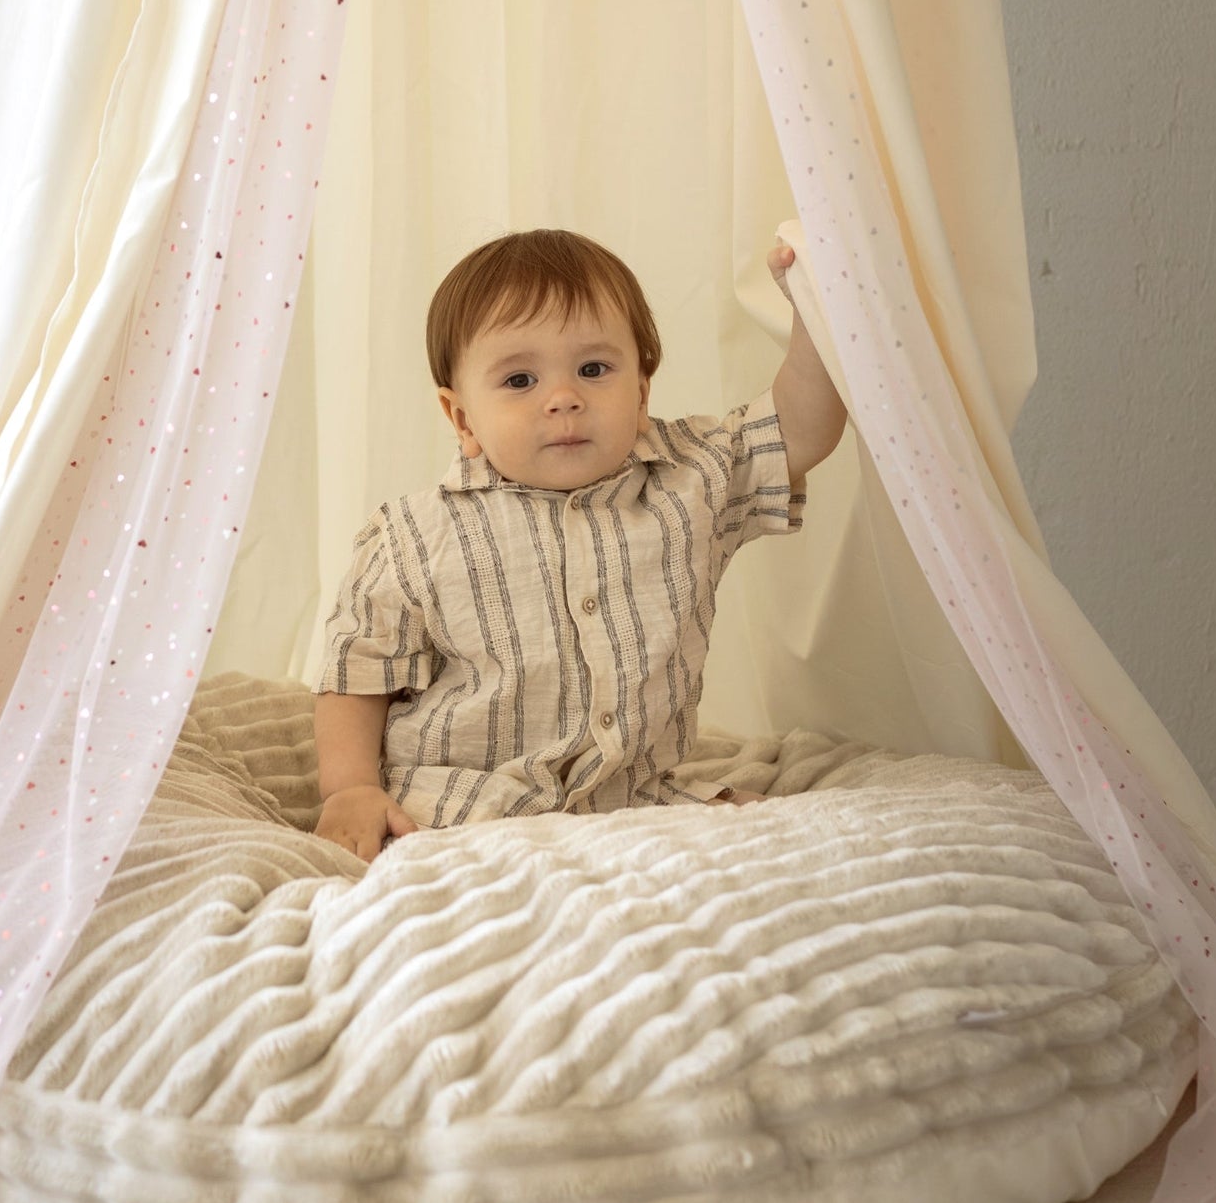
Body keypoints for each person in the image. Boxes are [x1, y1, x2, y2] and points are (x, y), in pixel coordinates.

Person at [312, 227, 848, 860]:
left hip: (635, 799)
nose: (564, 398)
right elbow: (357, 671)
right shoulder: (414, 535)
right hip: (462, 801)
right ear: (462, 419)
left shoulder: (690, 479)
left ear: (641, 394)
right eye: (519, 381)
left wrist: (819, 313)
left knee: (761, 845)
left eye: (594, 370)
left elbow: (798, 432)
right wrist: (348, 790)